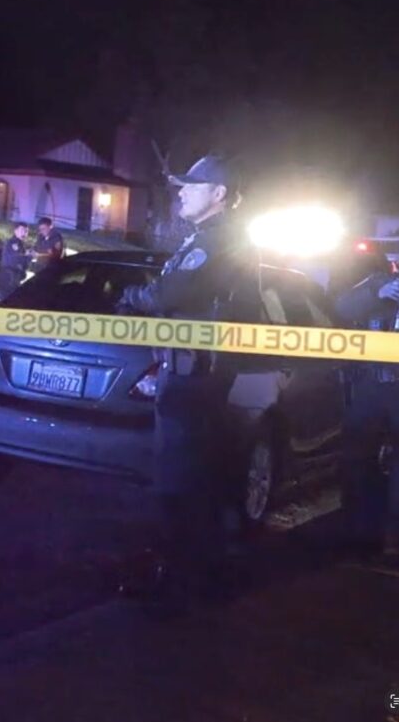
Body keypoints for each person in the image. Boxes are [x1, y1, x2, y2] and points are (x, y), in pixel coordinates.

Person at [117, 154, 254, 606]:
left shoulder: (219, 243)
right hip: (191, 374)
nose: (180, 192)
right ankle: (193, 577)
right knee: (194, 483)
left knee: (181, 485)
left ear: (218, 195)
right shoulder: (210, 239)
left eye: (190, 186)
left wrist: (130, 298)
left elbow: (169, 294)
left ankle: (180, 588)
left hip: (194, 380)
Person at [335, 224, 399, 570]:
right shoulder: (378, 282)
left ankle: (396, 540)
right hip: (370, 385)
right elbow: (341, 306)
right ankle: (360, 533)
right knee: (357, 459)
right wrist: (377, 293)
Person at [0, 223, 32, 295]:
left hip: (12, 277)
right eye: (22, 230)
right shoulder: (13, 243)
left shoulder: (19, 243)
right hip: (9, 278)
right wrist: (30, 256)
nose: (24, 233)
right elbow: (18, 259)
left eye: (26, 231)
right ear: (15, 231)